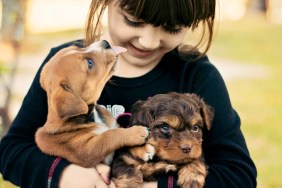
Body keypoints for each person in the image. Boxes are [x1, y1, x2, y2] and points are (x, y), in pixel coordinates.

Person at [0, 0, 257, 187]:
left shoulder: (196, 75)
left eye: (172, 27)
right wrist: (63, 175)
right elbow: (12, 150)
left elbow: (238, 174)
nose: (148, 40)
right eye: (133, 20)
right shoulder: (63, 68)